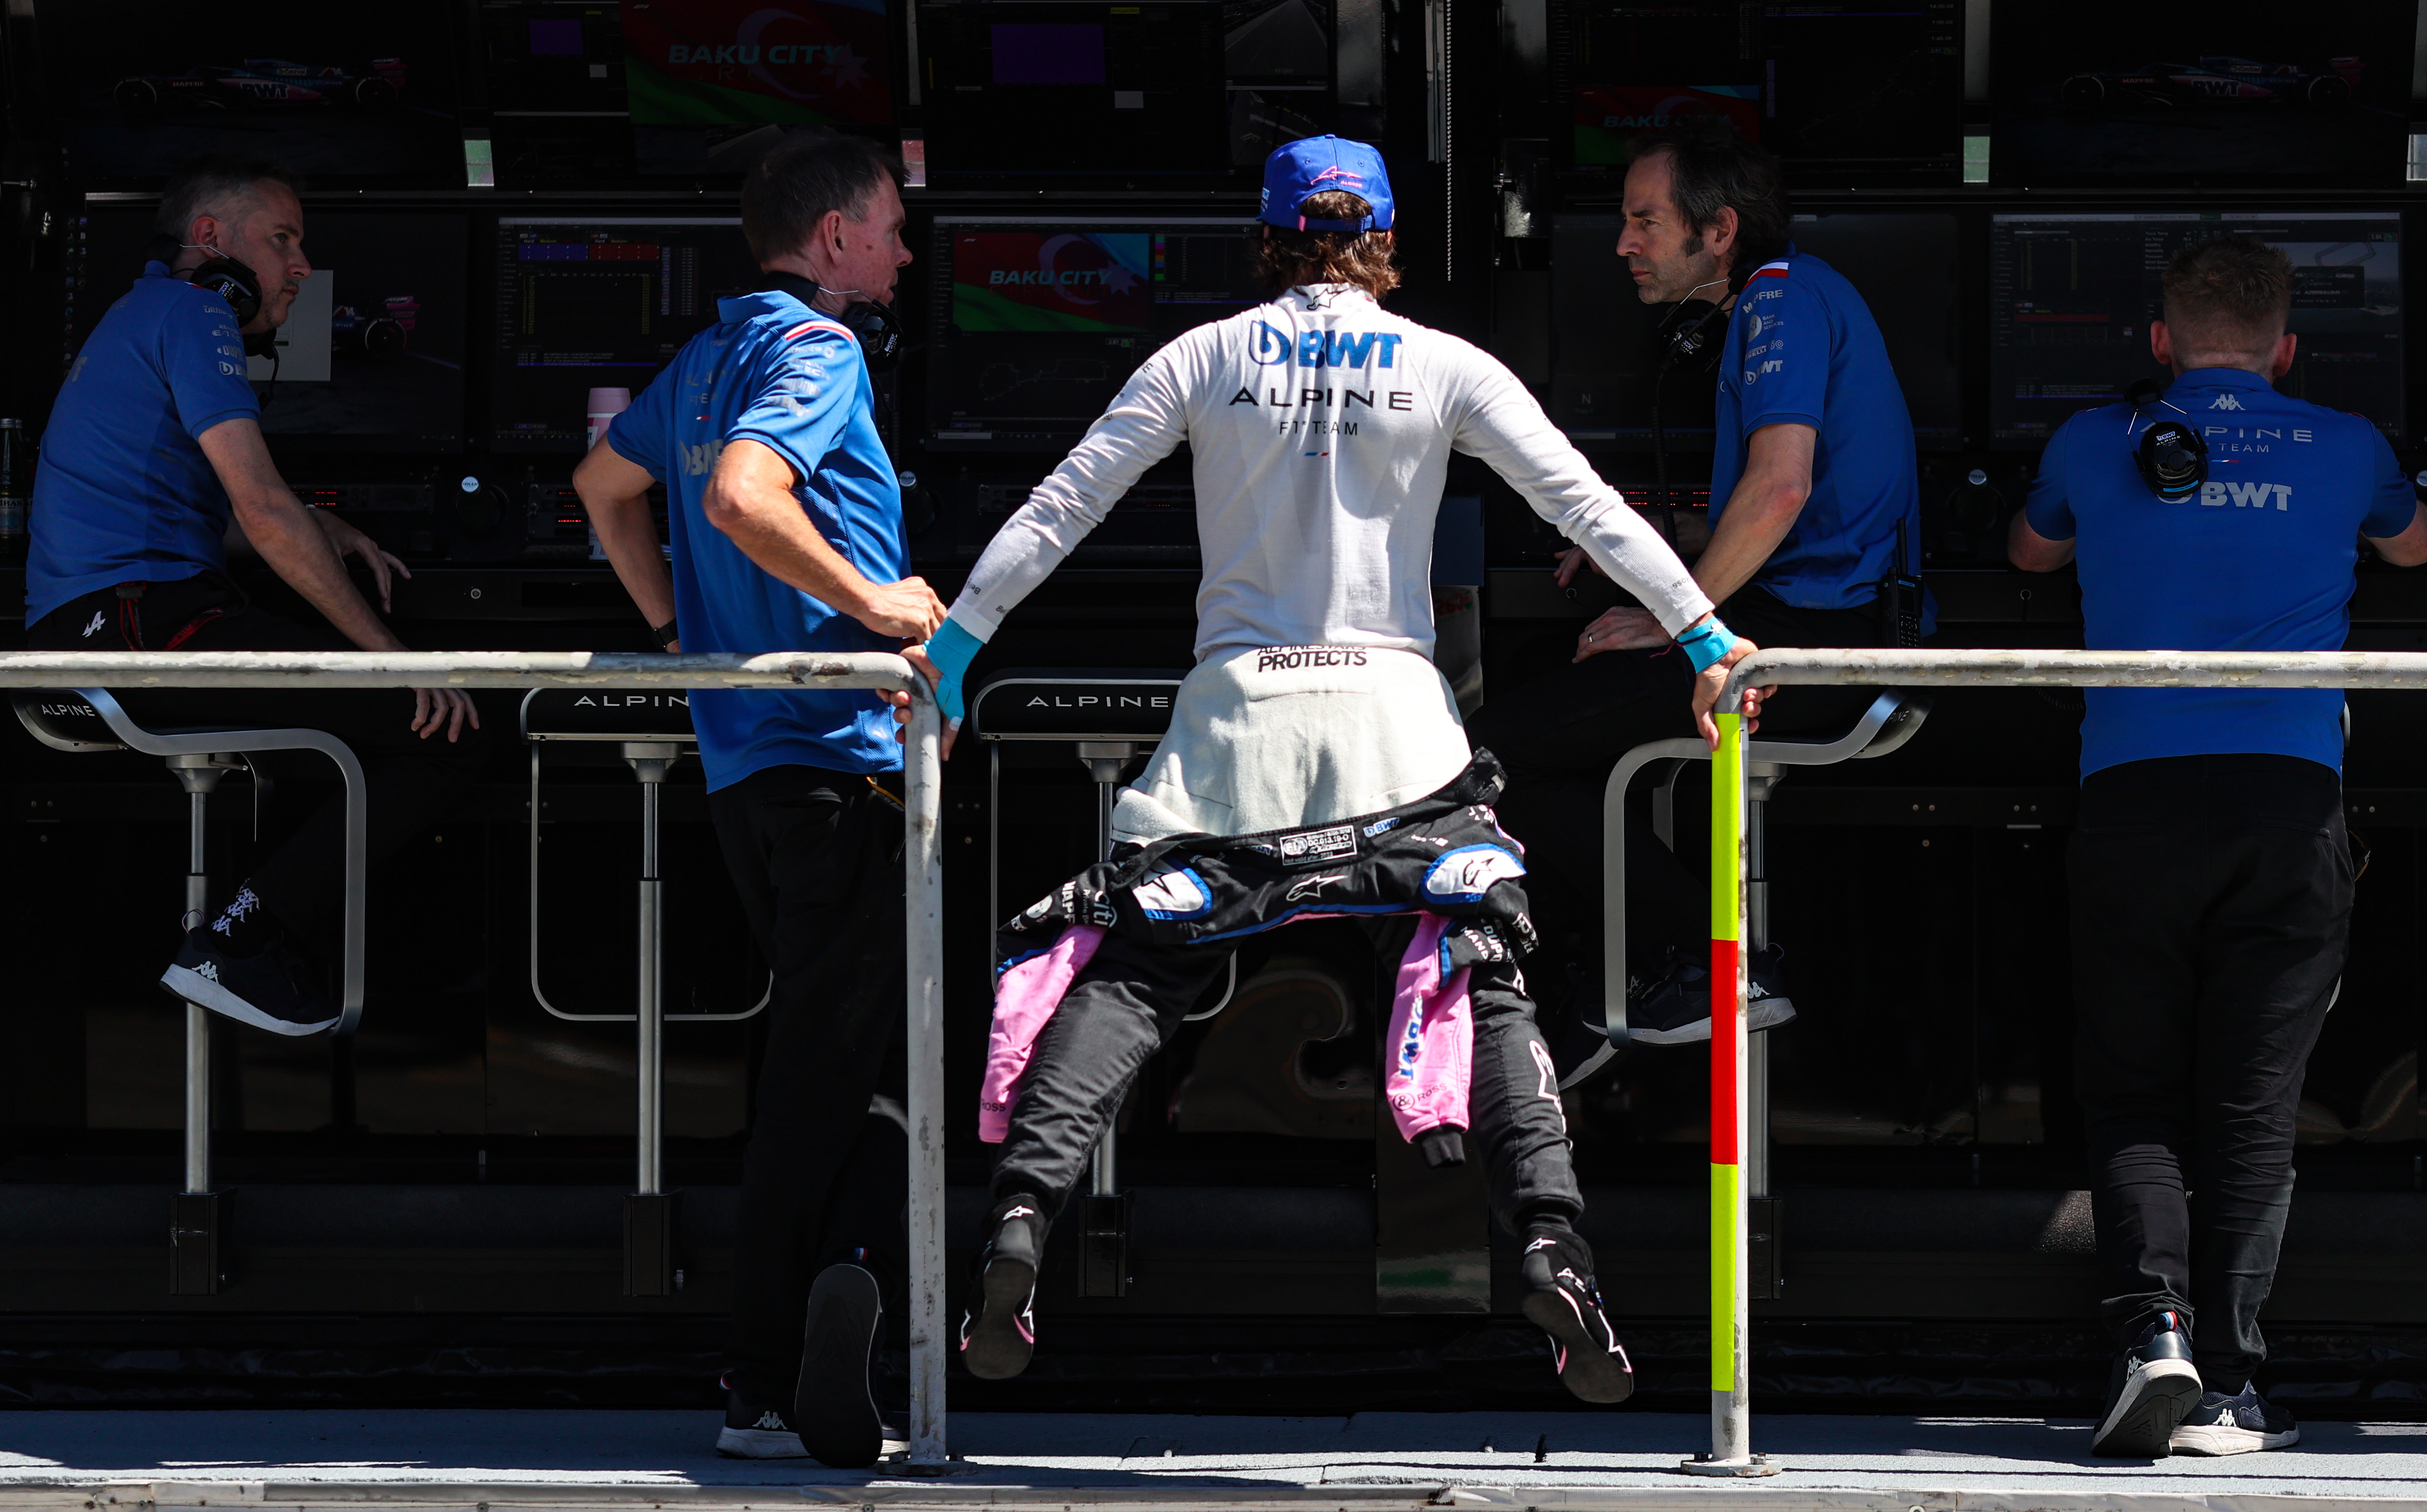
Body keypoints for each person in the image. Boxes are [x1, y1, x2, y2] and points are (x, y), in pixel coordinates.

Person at [877, 135, 1762, 1402]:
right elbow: (1587, 507)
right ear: (1384, 236)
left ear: (1269, 234)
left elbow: (1058, 509)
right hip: (1395, 721)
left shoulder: (1202, 355)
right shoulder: (1445, 363)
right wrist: (1703, 634)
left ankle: (1018, 1223)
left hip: (1232, 724)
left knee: (1135, 969)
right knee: (1476, 970)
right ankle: (1556, 1245)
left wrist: (955, 649)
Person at [2009, 233, 2427, 1458]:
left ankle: (2154, 1334)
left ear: (2158, 343)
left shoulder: (2094, 440)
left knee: (2132, 1087)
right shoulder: (2348, 446)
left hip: (2133, 798)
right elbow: (2412, 549)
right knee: (2250, 1102)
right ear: (2286, 348)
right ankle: (2234, 1394)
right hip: (2285, 804)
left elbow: (2031, 551)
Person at [573, 132, 942, 1470]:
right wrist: (880, 603)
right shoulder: (815, 350)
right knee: (828, 1073)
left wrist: (685, 635)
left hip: (744, 765)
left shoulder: (707, 354)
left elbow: (601, 486)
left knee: (840, 1060)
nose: (905, 252)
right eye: (891, 227)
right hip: (838, 755)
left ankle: (835, 1300)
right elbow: (738, 493)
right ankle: (769, 1378)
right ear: (833, 236)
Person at [1465, 126, 1929, 1069]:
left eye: (1645, 220)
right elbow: (1781, 509)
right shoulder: (1788, 301)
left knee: (1491, 752)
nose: (1624, 243)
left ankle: (1712, 963)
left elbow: (1780, 490)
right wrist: (1630, 550)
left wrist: (1673, 616)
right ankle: (1625, 971)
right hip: (1810, 619)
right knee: (1549, 706)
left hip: (1810, 644)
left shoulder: (1779, 304)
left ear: (1717, 231)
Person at [22, 155, 483, 1038]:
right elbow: (261, 514)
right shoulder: (196, 311)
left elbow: (204, 509)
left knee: (342, 733)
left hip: (108, 629)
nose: (302, 267)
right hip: (135, 627)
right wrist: (395, 659)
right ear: (210, 242)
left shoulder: (140, 313)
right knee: (447, 733)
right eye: (282, 241)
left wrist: (321, 523)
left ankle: (253, 936)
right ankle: (244, 940)